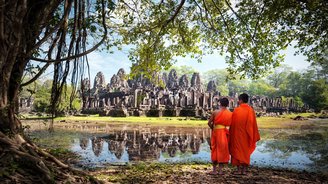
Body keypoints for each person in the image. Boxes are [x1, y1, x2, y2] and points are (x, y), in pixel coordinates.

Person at [229, 93, 260, 175]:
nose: (238, 101)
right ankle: (244, 170)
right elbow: (253, 124)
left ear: (241, 100)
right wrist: (252, 134)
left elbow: (233, 124)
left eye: (239, 100)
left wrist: (231, 134)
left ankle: (239, 170)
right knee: (245, 151)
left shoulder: (236, 110)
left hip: (237, 135)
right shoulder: (251, 110)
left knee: (237, 150)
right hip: (247, 135)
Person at [207, 97, 232, 175]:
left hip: (216, 132)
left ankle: (214, 170)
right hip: (224, 133)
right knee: (222, 150)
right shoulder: (230, 113)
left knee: (214, 149)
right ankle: (220, 171)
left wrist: (213, 129)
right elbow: (231, 125)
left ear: (220, 103)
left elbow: (209, 123)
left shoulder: (215, 112)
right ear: (228, 104)